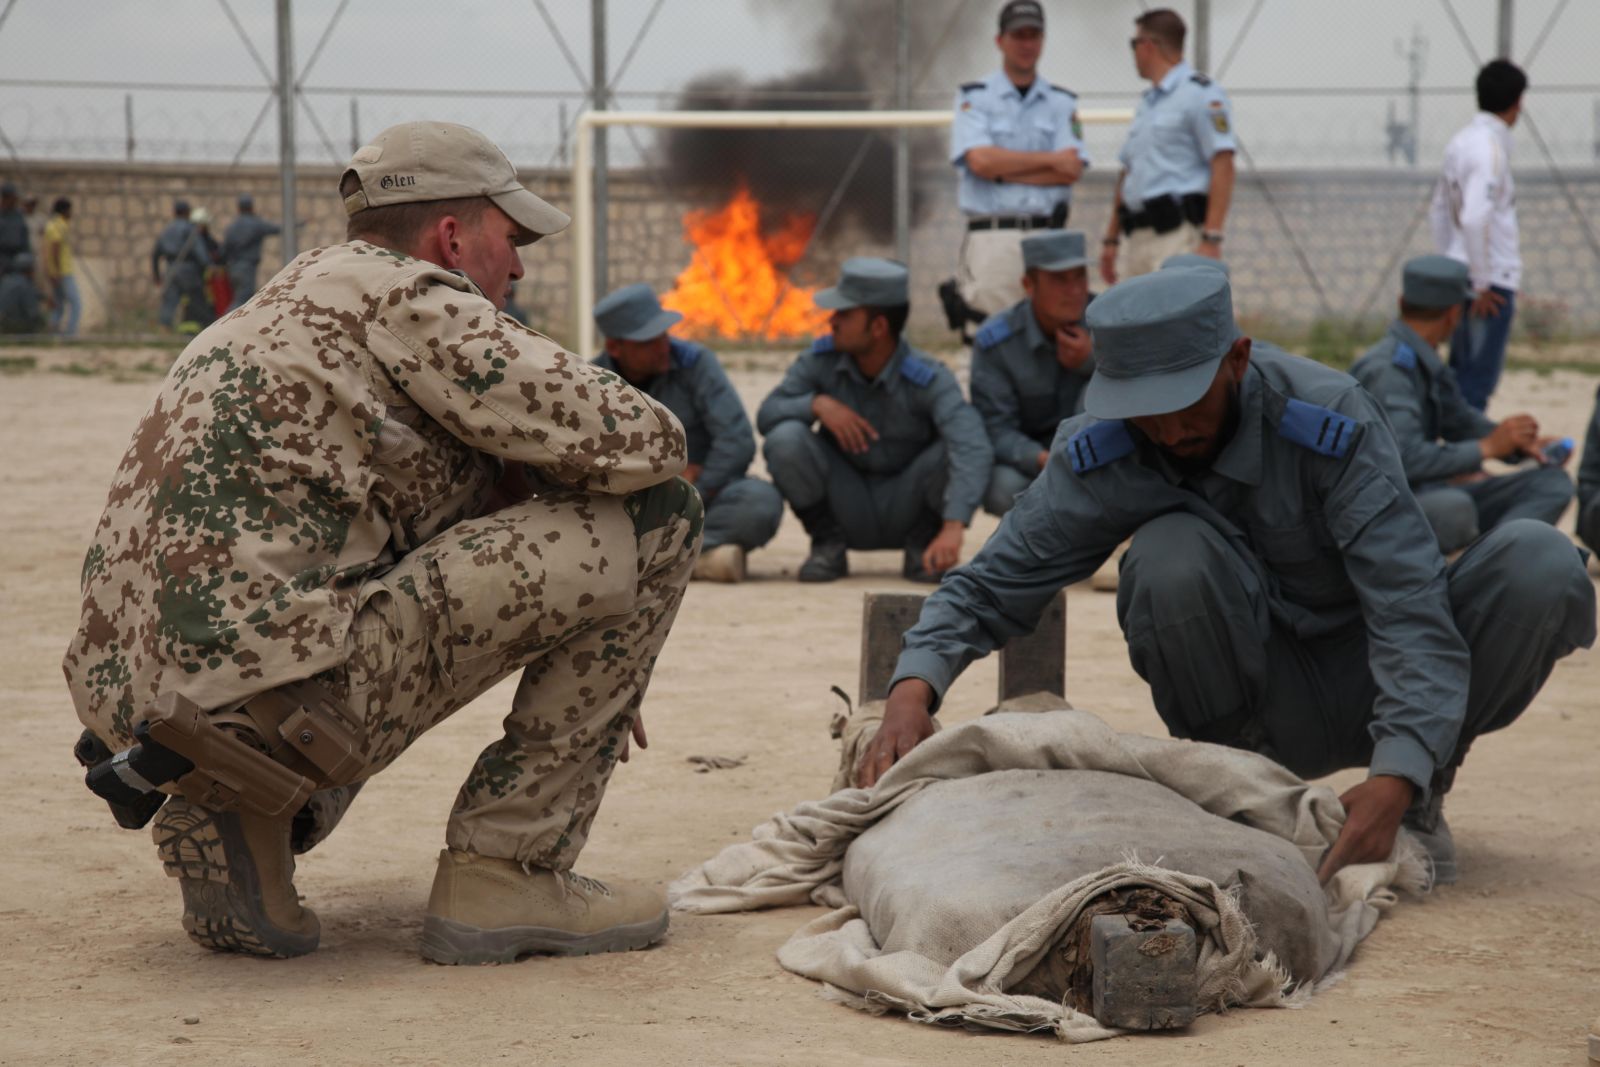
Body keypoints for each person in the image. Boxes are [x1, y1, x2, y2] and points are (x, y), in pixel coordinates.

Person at [64, 121, 699, 965]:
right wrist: (604, 627)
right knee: (660, 516)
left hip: (141, 716)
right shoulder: (411, 297)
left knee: (374, 558)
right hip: (278, 703)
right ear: (451, 235)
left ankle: (251, 811)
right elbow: (648, 439)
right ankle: (508, 867)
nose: (517, 267)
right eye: (509, 239)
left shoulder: (281, 304)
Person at [857, 268, 1593, 889]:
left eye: (1186, 403)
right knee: (1169, 552)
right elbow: (993, 582)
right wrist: (911, 690)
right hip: (1259, 705)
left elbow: (1408, 606)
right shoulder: (1105, 449)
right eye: (1146, 413)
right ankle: (1245, 800)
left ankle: (1419, 797)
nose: (1170, 431)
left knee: (1542, 562)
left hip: (1375, 668)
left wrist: (1401, 771)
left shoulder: (1326, 417)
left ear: (1237, 358)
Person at [759, 257, 991, 583]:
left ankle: (923, 546)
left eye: (845, 313)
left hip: (908, 503)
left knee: (956, 446)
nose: (832, 321)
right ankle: (828, 544)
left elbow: (972, 445)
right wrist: (817, 404)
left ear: (879, 327)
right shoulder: (820, 361)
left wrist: (954, 527)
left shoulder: (928, 377)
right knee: (786, 439)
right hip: (846, 501)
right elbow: (768, 415)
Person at [1349, 255, 1570, 553]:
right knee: (1454, 507)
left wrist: (1517, 443)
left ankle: (1499, 561)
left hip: (1424, 495)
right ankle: (1483, 571)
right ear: (1455, 314)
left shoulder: (1421, 358)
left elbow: (1460, 421)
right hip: (1386, 505)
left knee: (1551, 484)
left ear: (1402, 303)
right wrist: (1487, 448)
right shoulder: (1388, 370)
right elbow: (1407, 459)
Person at [593, 283, 783, 582]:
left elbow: (737, 440)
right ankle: (701, 560)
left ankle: (637, 564)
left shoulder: (696, 364)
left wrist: (694, 490)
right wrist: (660, 485)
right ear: (616, 348)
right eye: (648, 342)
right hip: (633, 505)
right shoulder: (593, 382)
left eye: (663, 335)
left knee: (759, 503)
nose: (663, 347)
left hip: (702, 496)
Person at [949, 0, 1088, 318]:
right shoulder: (975, 97)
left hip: (1048, 237)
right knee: (990, 336)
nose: (1027, 44)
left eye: (1034, 35)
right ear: (1000, 41)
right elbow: (980, 162)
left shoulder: (1061, 102)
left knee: (1052, 339)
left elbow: (1070, 168)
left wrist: (1002, 170)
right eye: (1019, 35)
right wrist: (1049, 161)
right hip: (994, 240)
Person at [1100, 8, 1236, 286]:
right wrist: (1111, 237)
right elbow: (1129, 173)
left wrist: (1212, 237)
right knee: (1133, 325)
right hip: (1137, 235)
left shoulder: (1199, 94)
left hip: (1176, 237)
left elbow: (1223, 163)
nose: (1134, 53)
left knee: (1173, 324)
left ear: (1148, 45)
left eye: (1134, 44)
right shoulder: (1149, 102)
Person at [970, 229, 1093, 515]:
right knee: (1001, 486)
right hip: (1035, 463)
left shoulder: (1107, 322)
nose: (1075, 290)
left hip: (1095, 458)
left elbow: (1136, 391)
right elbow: (995, 427)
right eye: (1060, 280)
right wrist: (1042, 459)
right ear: (1028, 285)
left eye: (1080, 277)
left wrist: (1092, 360)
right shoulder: (996, 343)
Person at [1430, 60, 1528, 413]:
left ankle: (1457, 461)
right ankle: (1465, 466)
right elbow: (1474, 218)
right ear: (1517, 102)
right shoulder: (1489, 149)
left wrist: (1451, 265)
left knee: (1459, 375)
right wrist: (1482, 283)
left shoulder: (1460, 142)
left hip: (1463, 272)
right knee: (1476, 379)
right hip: (1488, 283)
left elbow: (1439, 211)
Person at [151, 199, 212, 330]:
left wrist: (156, 276)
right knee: (197, 300)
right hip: (188, 269)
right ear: (187, 213)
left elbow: (156, 254)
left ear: (174, 212)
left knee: (170, 301)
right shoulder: (190, 229)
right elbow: (200, 252)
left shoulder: (167, 230)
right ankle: (204, 328)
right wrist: (207, 266)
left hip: (170, 268)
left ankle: (164, 329)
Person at [220, 193, 282, 312]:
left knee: (239, 297)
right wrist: (300, 224)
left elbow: (225, 249)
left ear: (239, 208)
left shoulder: (232, 227)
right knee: (243, 299)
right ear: (251, 207)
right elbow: (276, 228)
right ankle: (223, 323)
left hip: (233, 267)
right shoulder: (256, 224)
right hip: (247, 267)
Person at [41, 197, 80, 337]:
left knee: (59, 306)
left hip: (55, 272)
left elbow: (46, 251)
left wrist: (50, 270)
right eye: (70, 210)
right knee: (76, 303)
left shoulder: (50, 225)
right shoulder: (60, 225)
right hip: (63, 272)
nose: (71, 213)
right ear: (64, 210)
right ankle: (70, 334)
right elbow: (55, 249)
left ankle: (52, 333)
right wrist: (57, 271)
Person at [0, 249, 45, 333]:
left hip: (3, 323)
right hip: (16, 326)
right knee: (41, 321)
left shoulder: (6, 280)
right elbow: (32, 312)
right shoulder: (26, 285)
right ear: (28, 269)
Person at [0, 181, 29, 268]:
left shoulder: (19, 215)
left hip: (18, 259)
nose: (16, 200)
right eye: (13, 197)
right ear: (6, 198)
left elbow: (24, 237)